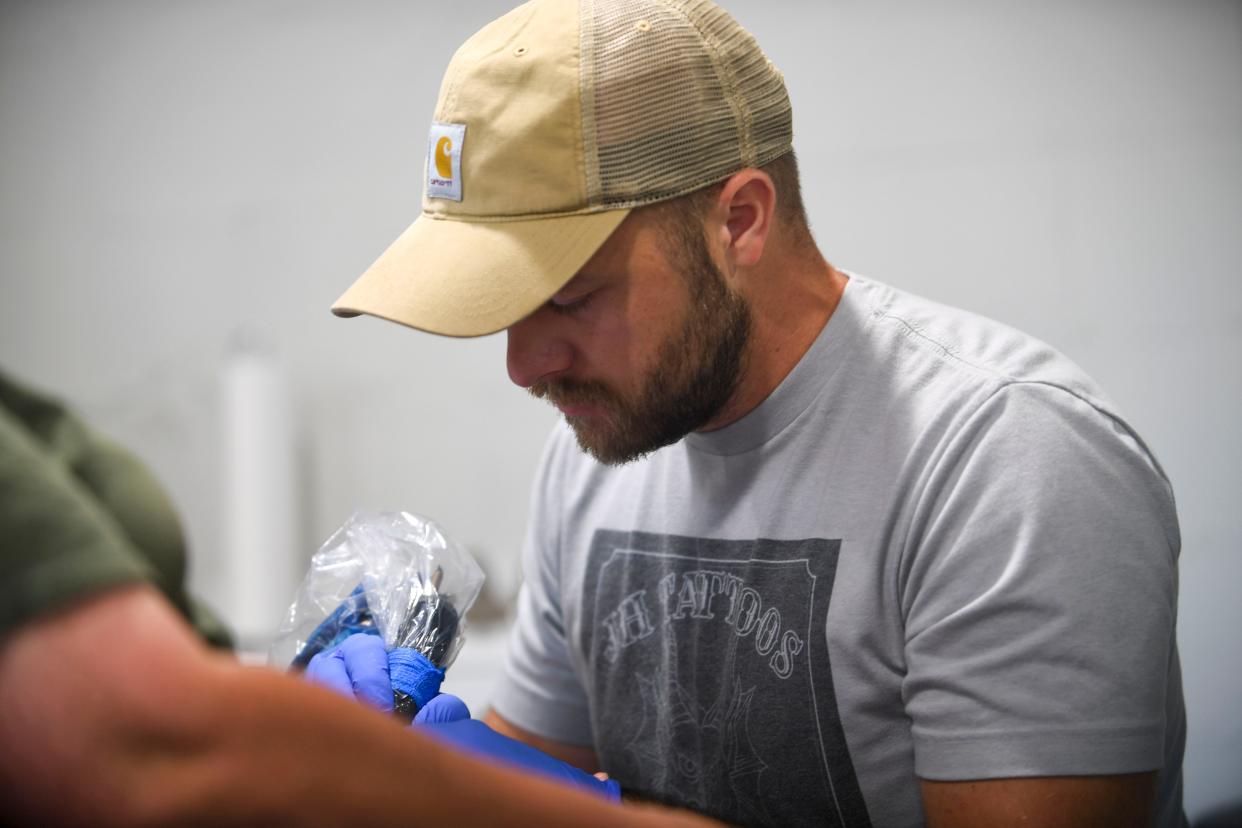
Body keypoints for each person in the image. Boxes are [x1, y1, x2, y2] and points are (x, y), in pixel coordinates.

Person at [326, 0, 1186, 826]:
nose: (523, 366)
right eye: (504, 308)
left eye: (571, 298)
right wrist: (403, 760)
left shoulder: (1003, 461)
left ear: (739, 220)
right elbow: (534, 759)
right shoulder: (595, 454)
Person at [0, 369, 718, 826]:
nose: (521, 363)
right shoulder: (584, 467)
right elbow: (151, 748)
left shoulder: (593, 455)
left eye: (574, 294)